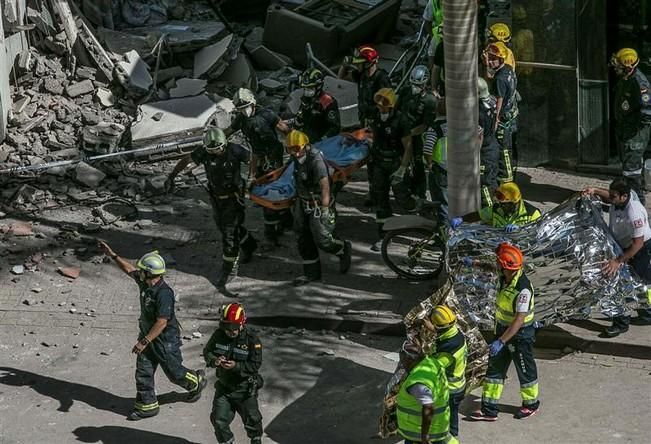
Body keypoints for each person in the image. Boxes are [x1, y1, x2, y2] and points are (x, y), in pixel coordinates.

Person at [98, 242, 207, 420]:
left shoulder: (164, 294)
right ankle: (147, 405)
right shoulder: (145, 282)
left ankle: (196, 382)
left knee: (175, 373)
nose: (138, 272)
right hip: (148, 337)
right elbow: (128, 269)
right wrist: (113, 254)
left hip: (165, 341)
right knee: (143, 372)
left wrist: (144, 341)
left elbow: (162, 322)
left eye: (142, 270)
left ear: (150, 273)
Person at [165, 128, 257, 297]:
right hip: (216, 197)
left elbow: (253, 157)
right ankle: (250, 245)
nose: (215, 154)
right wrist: (172, 175)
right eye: (212, 151)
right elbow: (187, 159)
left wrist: (252, 177)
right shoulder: (204, 152)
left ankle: (229, 270)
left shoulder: (235, 150)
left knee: (229, 235)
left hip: (233, 198)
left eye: (218, 150)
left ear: (224, 145)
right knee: (225, 227)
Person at [470, 243, 540, 421]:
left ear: (507, 267)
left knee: (525, 369)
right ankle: (489, 409)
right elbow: (491, 267)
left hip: (520, 335)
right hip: (502, 330)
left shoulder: (522, 289)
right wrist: (473, 262)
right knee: (494, 369)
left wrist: (501, 341)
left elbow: (518, 320)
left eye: (500, 263)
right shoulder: (506, 275)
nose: (497, 265)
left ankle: (530, 404)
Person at [583, 179, 651, 337]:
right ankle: (647, 314)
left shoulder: (634, 212)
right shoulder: (619, 200)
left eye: (614, 197)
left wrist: (618, 261)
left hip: (640, 249)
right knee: (638, 283)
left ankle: (621, 323)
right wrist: (595, 190)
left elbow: (637, 243)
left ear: (624, 196)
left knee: (622, 283)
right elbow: (607, 195)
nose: (610, 200)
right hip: (625, 245)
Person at [286, 130, 352, 285]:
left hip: (317, 203)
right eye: (290, 149)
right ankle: (312, 274)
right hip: (302, 202)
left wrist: (324, 209)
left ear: (304, 146)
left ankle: (342, 249)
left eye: (296, 149)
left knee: (323, 239)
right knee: (303, 237)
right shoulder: (297, 158)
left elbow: (325, 186)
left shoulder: (315, 160)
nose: (294, 152)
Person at [229, 87, 292, 245]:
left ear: (253, 103)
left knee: (271, 193)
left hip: (273, 157)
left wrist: (297, 148)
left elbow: (286, 130)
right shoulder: (241, 119)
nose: (244, 111)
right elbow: (229, 131)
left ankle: (273, 233)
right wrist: (214, 138)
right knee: (266, 191)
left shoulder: (267, 114)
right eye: (241, 109)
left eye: (246, 107)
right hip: (258, 157)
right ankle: (285, 220)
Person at [338, 45, 392, 207]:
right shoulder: (361, 76)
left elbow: (388, 102)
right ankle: (372, 191)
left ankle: (381, 194)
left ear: (369, 63)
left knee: (380, 160)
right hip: (365, 123)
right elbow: (341, 78)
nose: (358, 65)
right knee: (370, 158)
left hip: (378, 125)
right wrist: (345, 65)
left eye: (360, 62)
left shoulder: (381, 78)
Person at [204, 303, 263, 444]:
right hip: (224, 388)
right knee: (218, 420)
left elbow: (255, 365)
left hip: (244, 390)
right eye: (227, 328)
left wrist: (236, 366)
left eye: (234, 328)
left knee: (253, 422)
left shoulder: (252, 340)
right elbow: (208, 351)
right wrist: (215, 361)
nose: (230, 331)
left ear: (242, 323)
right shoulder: (219, 334)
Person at [369, 88, 414, 251]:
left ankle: (421, 211)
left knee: (403, 198)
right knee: (380, 199)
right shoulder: (376, 117)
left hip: (395, 162)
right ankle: (384, 236)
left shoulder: (400, 120)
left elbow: (408, 145)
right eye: (379, 103)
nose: (381, 106)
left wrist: (403, 168)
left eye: (384, 103)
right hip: (379, 163)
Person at [396, 342, 458, 444]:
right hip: (438, 425)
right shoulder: (432, 362)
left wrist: (425, 436)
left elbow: (428, 407)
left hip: (419, 433)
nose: (402, 363)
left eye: (403, 360)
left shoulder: (418, 382)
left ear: (410, 360)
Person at [611, 48, 651, 205]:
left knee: (631, 172)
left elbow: (647, 112)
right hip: (625, 131)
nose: (616, 67)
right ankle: (629, 201)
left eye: (619, 65)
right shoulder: (626, 78)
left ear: (628, 66)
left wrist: (635, 134)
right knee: (627, 169)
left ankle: (637, 205)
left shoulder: (639, 83)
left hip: (634, 135)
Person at [423, 306, 467, 438]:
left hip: (451, 389)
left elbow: (433, 368)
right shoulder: (456, 333)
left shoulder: (448, 349)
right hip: (459, 385)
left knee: (445, 418)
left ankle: (451, 437)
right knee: (452, 413)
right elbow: (442, 331)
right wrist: (432, 328)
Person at [399, 65, 438, 199]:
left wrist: (409, 133)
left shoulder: (430, 100)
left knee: (417, 166)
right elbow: (398, 110)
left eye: (418, 84)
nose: (415, 87)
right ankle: (404, 192)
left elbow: (426, 124)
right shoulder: (405, 92)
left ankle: (419, 194)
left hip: (416, 137)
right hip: (401, 134)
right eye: (413, 84)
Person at [484, 42, 519, 184]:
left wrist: (496, 119)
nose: (491, 61)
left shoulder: (499, 79)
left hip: (504, 120)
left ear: (501, 59)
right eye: (489, 57)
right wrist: (487, 65)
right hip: (513, 116)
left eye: (493, 59)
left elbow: (499, 100)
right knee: (510, 149)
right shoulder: (509, 70)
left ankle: (506, 180)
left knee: (504, 151)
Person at [451, 182, 541, 232]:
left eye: (504, 204)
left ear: (514, 203)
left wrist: (520, 229)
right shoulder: (496, 209)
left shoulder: (532, 214)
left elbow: (539, 233)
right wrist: (462, 219)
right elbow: (478, 215)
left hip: (523, 252)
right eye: (501, 204)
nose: (501, 207)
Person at [295, 68, 341, 142]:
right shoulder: (306, 99)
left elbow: (335, 127)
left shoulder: (327, 102)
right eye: (305, 88)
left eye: (310, 88)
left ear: (318, 86)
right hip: (307, 140)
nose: (307, 91)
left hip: (321, 143)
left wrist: (322, 140)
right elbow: (299, 119)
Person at [423, 99, 449, 226]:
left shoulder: (435, 128)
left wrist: (429, 164)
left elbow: (428, 149)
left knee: (443, 204)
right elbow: (479, 132)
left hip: (441, 171)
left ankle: (445, 237)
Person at [478, 77, 501, 207]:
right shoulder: (492, 101)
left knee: (484, 184)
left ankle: (489, 210)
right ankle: (497, 206)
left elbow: (479, 135)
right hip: (493, 144)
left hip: (485, 150)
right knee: (492, 180)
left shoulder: (479, 111)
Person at [421, 0, 444, 94]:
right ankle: (434, 86)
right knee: (432, 55)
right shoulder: (433, 2)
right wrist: (432, 36)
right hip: (439, 35)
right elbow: (427, 22)